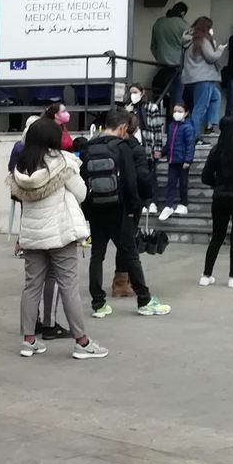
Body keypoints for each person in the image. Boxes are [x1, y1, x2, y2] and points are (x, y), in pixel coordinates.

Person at [7, 118, 107, 361]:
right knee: (68, 287)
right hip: (60, 235)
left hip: (32, 235)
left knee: (32, 286)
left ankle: (29, 341)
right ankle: (82, 342)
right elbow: (81, 193)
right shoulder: (62, 163)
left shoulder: (22, 166)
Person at [82, 108, 171, 319]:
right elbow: (131, 181)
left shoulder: (89, 147)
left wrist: (87, 210)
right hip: (119, 210)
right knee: (130, 255)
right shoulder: (123, 148)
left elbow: (83, 180)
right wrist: (133, 209)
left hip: (95, 210)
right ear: (123, 127)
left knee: (97, 256)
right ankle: (144, 300)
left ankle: (98, 304)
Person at [198, 116, 233, 288]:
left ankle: (206, 275)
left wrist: (219, 184)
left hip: (220, 197)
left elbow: (206, 176)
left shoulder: (216, 150)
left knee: (217, 237)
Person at [181, 17, 227, 135]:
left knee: (216, 97)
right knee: (200, 107)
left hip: (191, 78)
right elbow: (211, 57)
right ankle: (194, 135)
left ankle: (211, 124)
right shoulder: (203, 40)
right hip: (204, 78)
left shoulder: (188, 40)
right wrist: (219, 49)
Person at [158, 100, 197, 220]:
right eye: (175, 111)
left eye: (180, 111)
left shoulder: (188, 127)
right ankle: (168, 205)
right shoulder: (171, 126)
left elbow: (190, 145)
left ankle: (183, 203)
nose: (176, 113)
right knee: (171, 182)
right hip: (172, 159)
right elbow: (169, 143)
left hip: (183, 160)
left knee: (183, 183)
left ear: (186, 113)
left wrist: (188, 160)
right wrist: (163, 152)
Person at [150, 1, 190, 104]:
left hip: (163, 65)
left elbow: (153, 46)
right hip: (178, 66)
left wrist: (161, 58)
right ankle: (177, 113)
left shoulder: (158, 23)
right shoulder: (184, 25)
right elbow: (190, 46)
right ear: (183, 13)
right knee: (179, 95)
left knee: (171, 94)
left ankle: (173, 113)